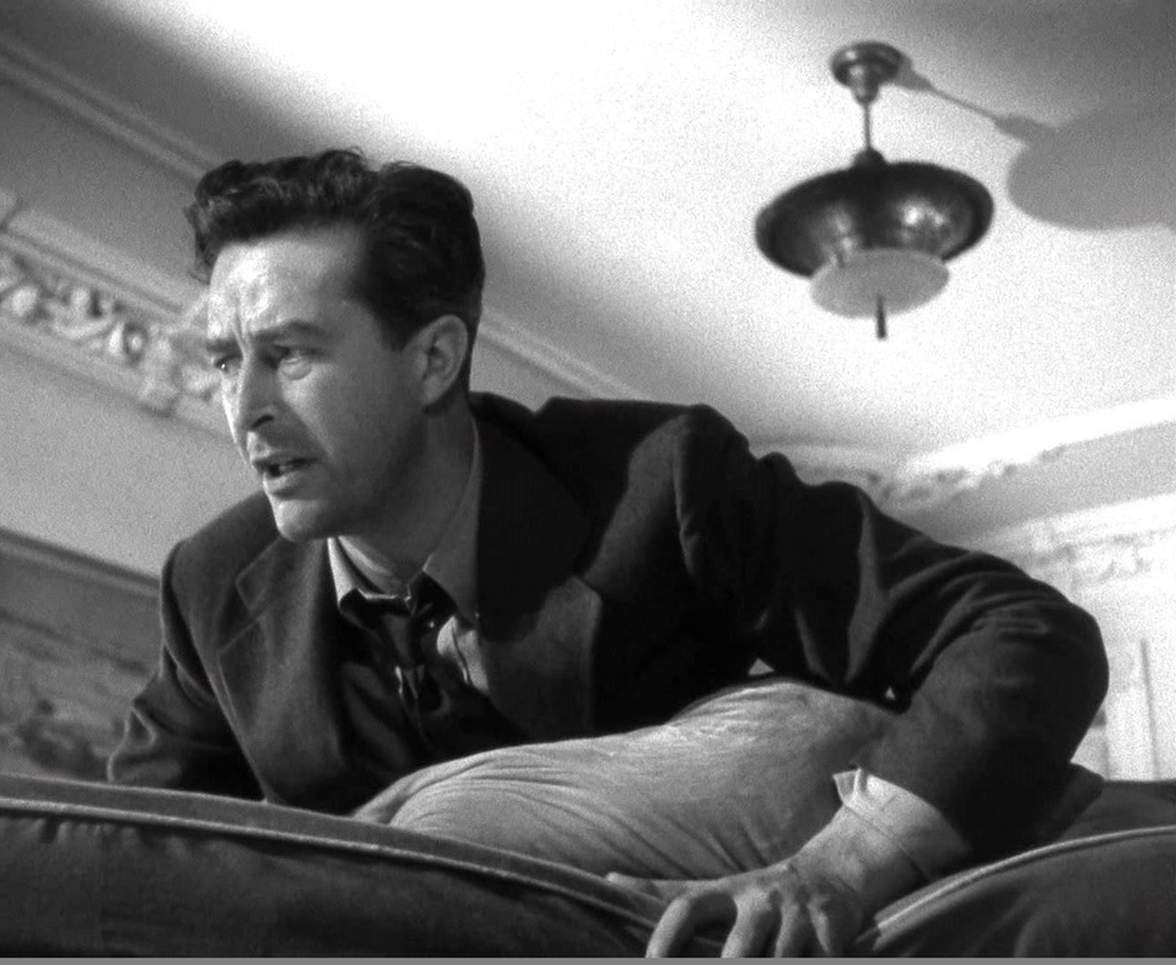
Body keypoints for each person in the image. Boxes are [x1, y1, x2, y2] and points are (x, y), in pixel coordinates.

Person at [109, 148, 1107, 956]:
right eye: (226, 361)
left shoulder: (663, 482)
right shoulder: (210, 584)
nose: (243, 408)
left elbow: (1021, 631)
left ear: (433, 358)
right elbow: (127, 859)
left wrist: (838, 867)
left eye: (288, 354)